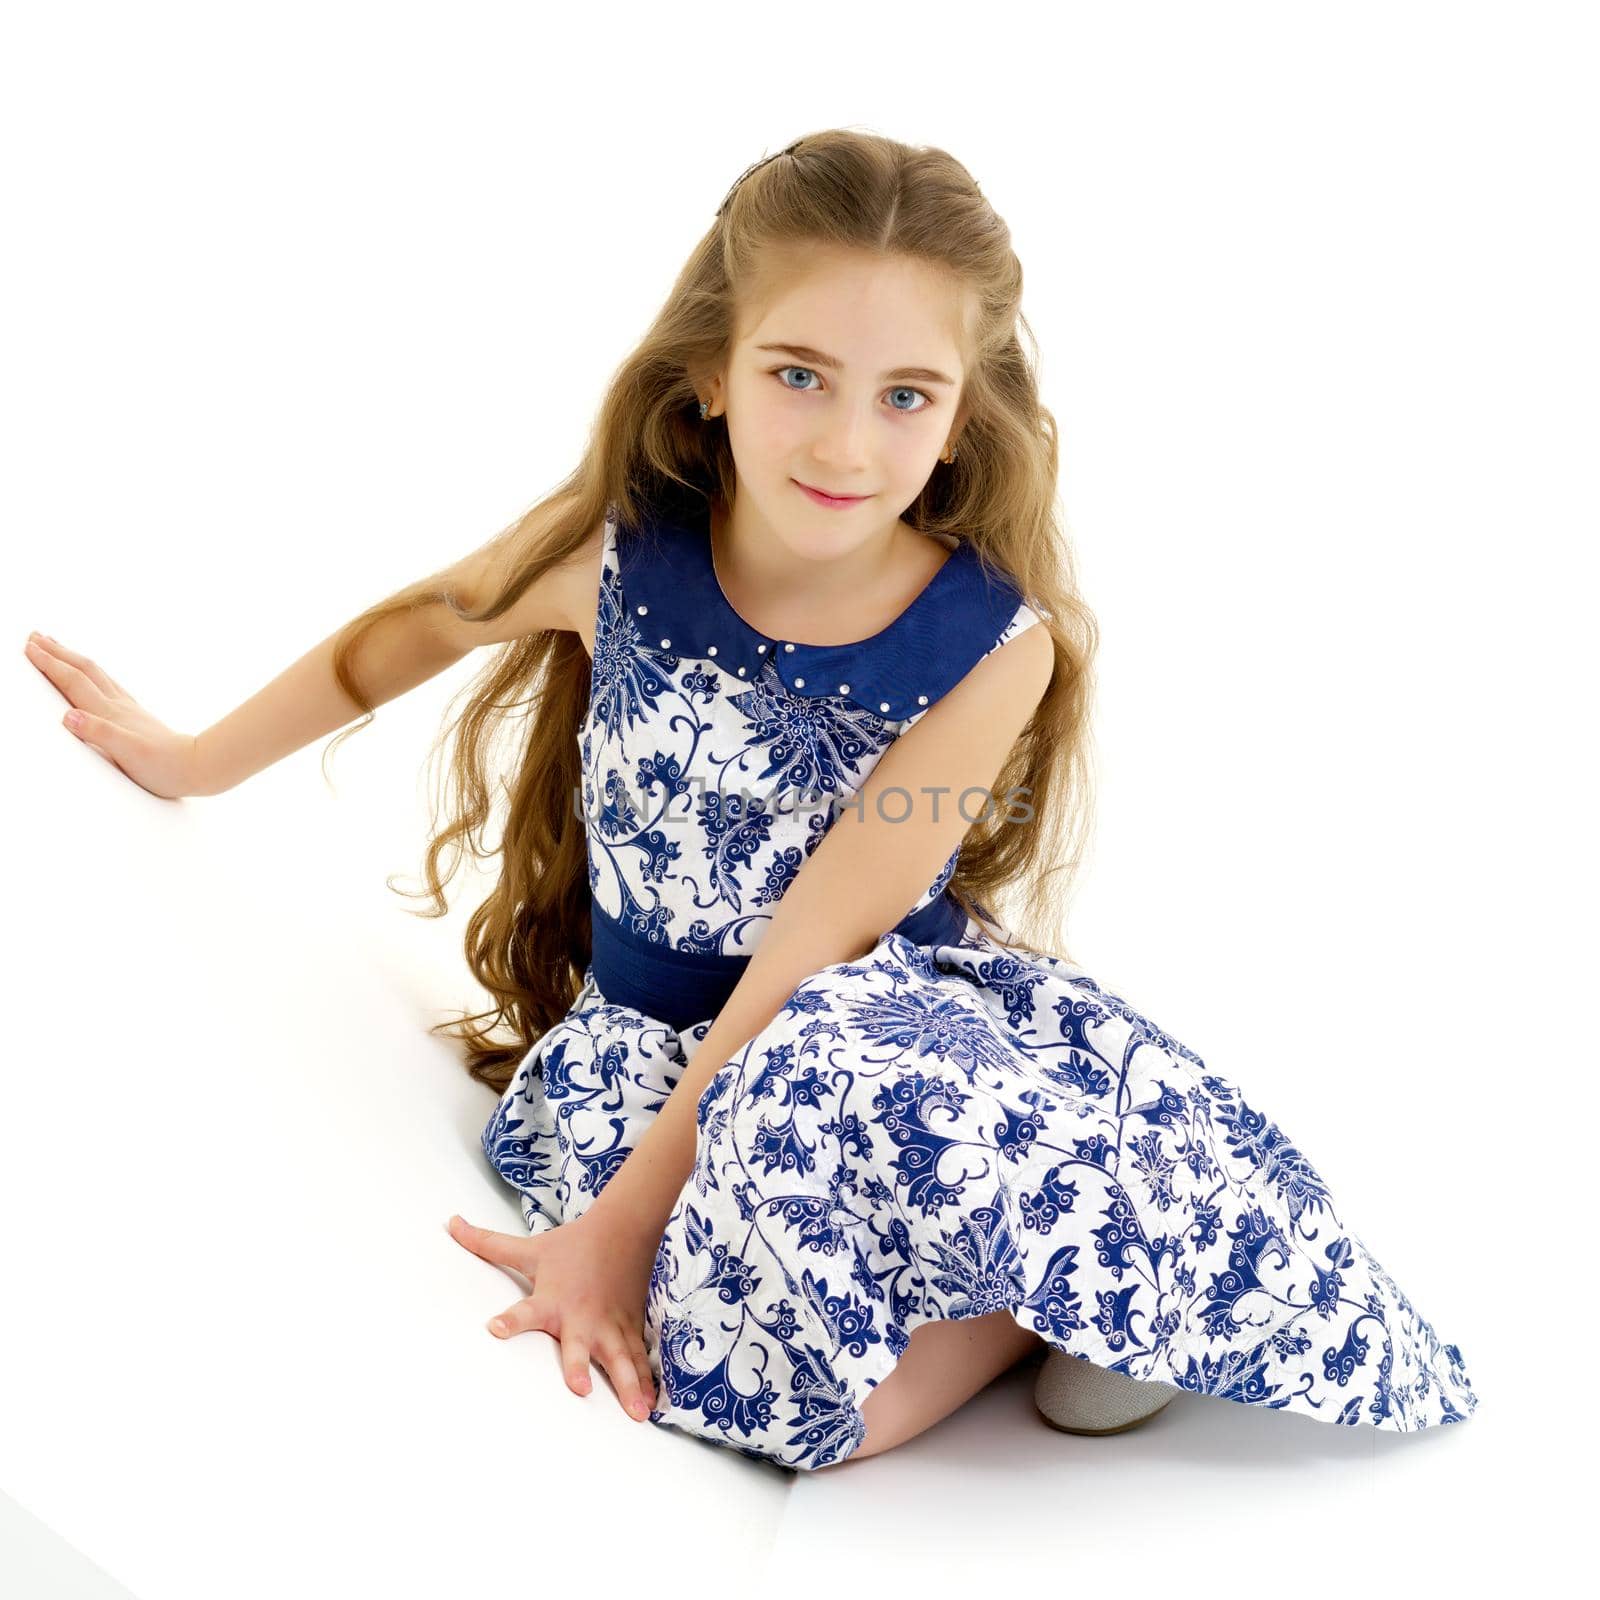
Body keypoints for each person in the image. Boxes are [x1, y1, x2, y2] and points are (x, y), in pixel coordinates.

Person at [25, 128, 1480, 1475]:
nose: (846, 446)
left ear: (963, 419)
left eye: (903, 396)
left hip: (870, 1026)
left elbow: (819, 956)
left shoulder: (990, 649)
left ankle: (1046, 1302)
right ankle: (1002, 1311)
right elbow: (417, 629)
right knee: (729, 1374)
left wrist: (622, 1225)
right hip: (659, 1059)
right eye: (799, 375)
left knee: (838, 1171)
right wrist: (191, 756)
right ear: (711, 371)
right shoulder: (621, 555)